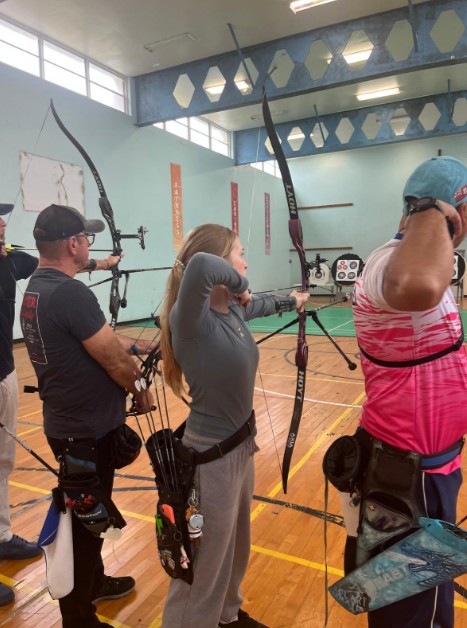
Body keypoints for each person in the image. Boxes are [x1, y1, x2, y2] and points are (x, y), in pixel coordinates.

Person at [159, 223, 309, 628]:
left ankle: (227, 616)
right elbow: (200, 264)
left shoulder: (233, 310)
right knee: (204, 560)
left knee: (236, 545)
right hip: (210, 457)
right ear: (222, 262)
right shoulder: (191, 320)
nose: (245, 263)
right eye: (239, 253)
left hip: (241, 447)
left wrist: (293, 300)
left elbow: (262, 304)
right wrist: (241, 285)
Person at [19, 204, 154, 628]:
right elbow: (113, 360)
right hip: (84, 434)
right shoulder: (70, 293)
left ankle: (94, 583)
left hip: (72, 426)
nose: (89, 246)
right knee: (83, 527)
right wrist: (140, 389)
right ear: (74, 243)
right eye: (86, 239)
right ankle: (78, 619)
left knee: (91, 518)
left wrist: (139, 347)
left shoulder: (38, 287)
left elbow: (96, 340)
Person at [350, 156, 467, 628]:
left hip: (430, 466)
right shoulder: (390, 263)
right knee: (413, 615)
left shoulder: (424, 261)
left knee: (423, 606)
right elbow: (414, 284)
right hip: (409, 472)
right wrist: (434, 212)